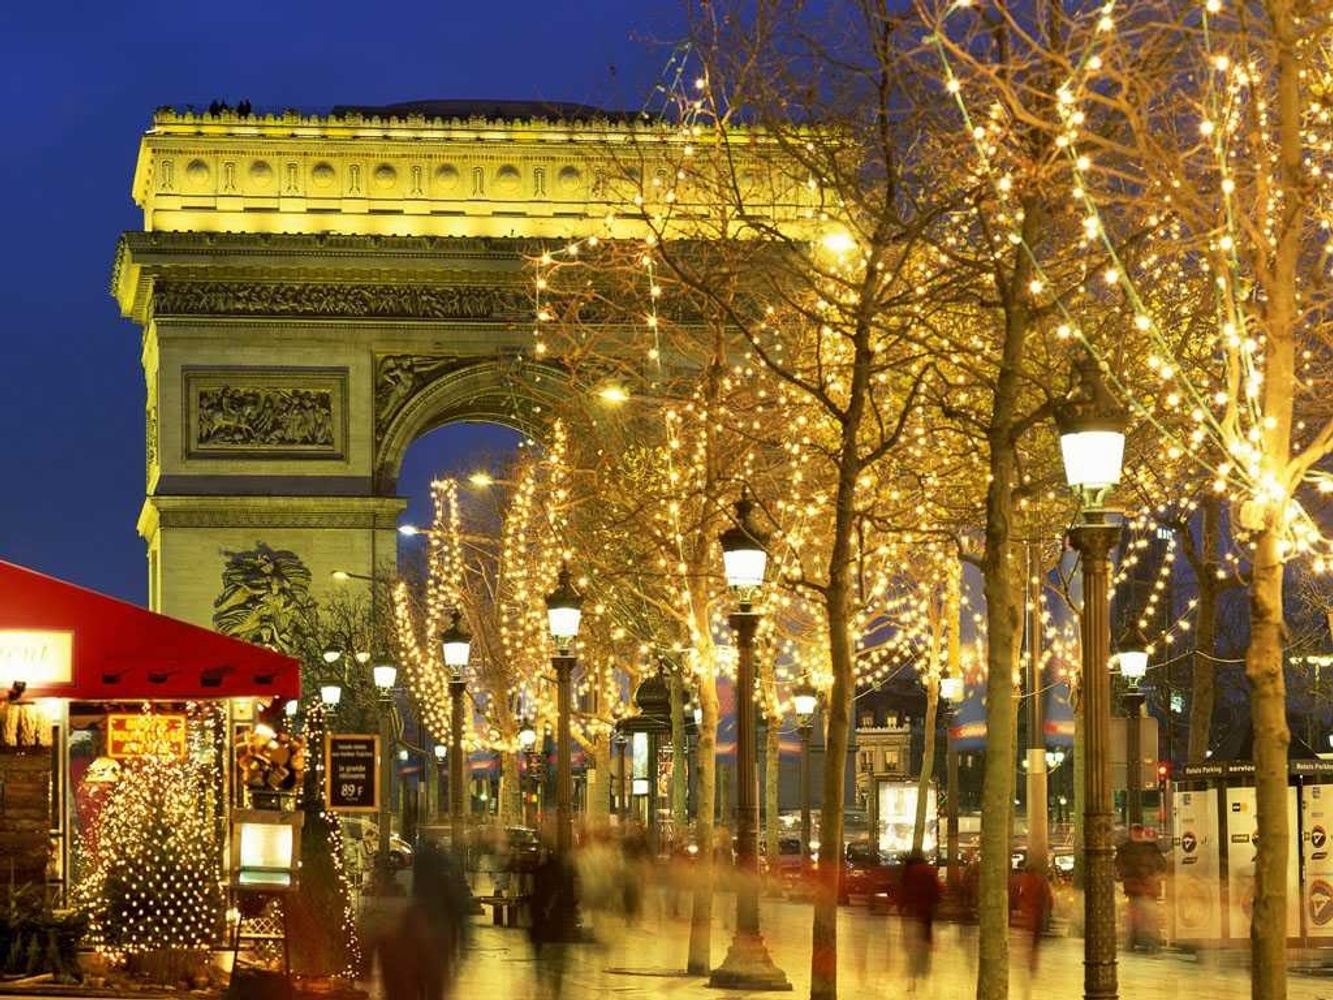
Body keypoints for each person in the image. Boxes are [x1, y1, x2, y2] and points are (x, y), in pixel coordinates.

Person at [1115, 824, 1167, 952]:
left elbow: (1119, 867)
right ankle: (1150, 943)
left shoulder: (1126, 849)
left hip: (1137, 888)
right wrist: (1154, 877)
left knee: (1136, 917)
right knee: (1147, 917)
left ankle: (1133, 942)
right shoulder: (1150, 848)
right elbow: (1161, 865)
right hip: (1145, 888)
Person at [899, 851, 941, 989]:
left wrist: (901, 907)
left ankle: (912, 973)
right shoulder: (929, 870)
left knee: (911, 942)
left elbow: (903, 890)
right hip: (926, 911)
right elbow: (937, 890)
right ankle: (922, 969)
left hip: (911, 911)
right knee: (924, 939)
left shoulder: (908, 871)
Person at [1013, 862, 1054, 983]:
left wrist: (1021, 908)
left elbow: (1021, 895)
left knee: (1027, 938)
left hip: (1028, 914)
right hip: (1038, 913)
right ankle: (1033, 962)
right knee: (1035, 941)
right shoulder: (1042, 880)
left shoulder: (1025, 880)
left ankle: (1029, 959)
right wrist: (1049, 910)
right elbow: (1048, 897)